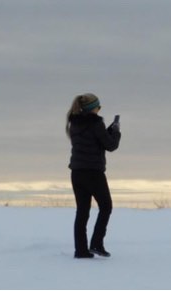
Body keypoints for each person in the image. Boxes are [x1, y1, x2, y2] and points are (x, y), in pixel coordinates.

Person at [65, 93, 121, 259]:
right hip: (93, 173)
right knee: (106, 207)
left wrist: (107, 130)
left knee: (82, 212)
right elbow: (110, 145)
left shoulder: (74, 123)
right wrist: (116, 132)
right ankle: (96, 244)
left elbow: (93, 140)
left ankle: (81, 251)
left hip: (77, 173)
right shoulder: (96, 123)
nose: (99, 109)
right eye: (99, 106)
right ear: (93, 108)